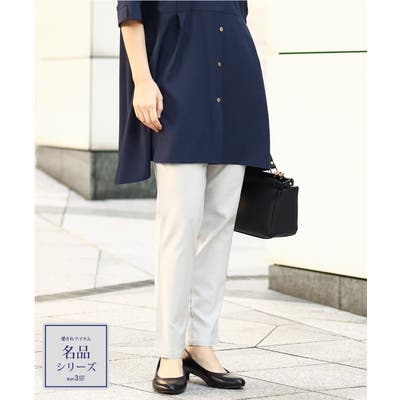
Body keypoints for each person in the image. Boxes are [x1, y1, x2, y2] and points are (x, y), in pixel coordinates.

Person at [116, 0, 271, 395]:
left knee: (219, 224)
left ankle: (200, 343)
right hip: (176, 88)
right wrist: (142, 81)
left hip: (235, 87)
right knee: (180, 224)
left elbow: (238, 16)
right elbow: (130, 12)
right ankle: (169, 351)